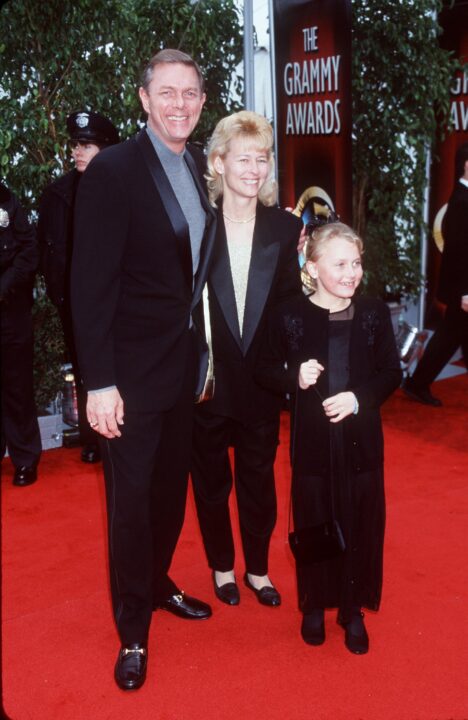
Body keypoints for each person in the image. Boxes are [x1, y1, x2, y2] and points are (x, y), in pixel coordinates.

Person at [70, 49, 216, 691]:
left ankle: (156, 586)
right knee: (130, 507)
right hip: (126, 380)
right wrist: (97, 382)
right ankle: (133, 632)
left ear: (201, 103)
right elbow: (89, 285)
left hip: (182, 371)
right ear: (144, 99)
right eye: (167, 92)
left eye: (190, 94)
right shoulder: (114, 171)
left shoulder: (196, 167)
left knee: (167, 497)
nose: (179, 104)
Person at [257, 222, 401, 653]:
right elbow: (262, 368)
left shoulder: (373, 312)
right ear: (313, 266)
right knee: (316, 520)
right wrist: (292, 376)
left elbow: (391, 373)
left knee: (361, 520)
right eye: (340, 263)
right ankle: (314, 605)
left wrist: (358, 400)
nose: (351, 273)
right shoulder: (290, 315)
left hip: (362, 443)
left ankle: (353, 609)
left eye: (356, 263)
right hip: (315, 446)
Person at [190, 111, 302, 608]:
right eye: (244, 158)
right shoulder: (197, 223)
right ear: (218, 162)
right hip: (208, 382)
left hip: (260, 380)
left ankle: (257, 569)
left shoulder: (286, 227)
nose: (255, 169)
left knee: (258, 481)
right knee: (212, 483)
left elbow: (286, 308)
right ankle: (221, 568)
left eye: (263, 159)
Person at [37, 110, 120, 463]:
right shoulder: (56, 194)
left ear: (106, 148)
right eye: (75, 144)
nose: (78, 151)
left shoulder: (123, 188)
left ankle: (117, 432)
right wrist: (59, 295)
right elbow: (45, 249)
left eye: (86, 144)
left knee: (117, 368)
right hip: (73, 304)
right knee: (84, 368)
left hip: (118, 302)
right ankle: (93, 436)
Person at [403, 142, 468, 406]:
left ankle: (417, 384)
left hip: (462, 289)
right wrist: (465, 292)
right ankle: (417, 384)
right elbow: (459, 252)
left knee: (451, 336)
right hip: (463, 289)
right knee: (448, 337)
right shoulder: (462, 201)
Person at [1, 182, 42, 486]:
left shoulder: (7, 200)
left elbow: (29, 250)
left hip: (10, 309)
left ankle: (25, 459)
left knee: (17, 387)